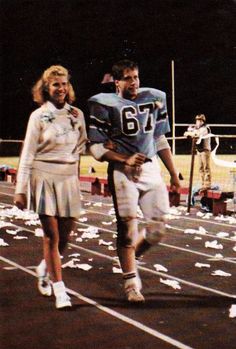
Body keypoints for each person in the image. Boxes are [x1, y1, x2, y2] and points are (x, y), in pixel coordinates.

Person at [88, 59, 180, 302]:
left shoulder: (154, 98)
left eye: (136, 77)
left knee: (158, 229)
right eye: (128, 78)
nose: (134, 82)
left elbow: (159, 139)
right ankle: (130, 281)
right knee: (127, 227)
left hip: (150, 169)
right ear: (117, 81)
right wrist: (124, 158)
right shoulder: (103, 104)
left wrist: (173, 173)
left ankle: (132, 257)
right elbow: (96, 149)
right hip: (122, 171)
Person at [14, 65, 87, 309]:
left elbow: (84, 145)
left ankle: (45, 266)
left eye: (64, 83)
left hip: (68, 178)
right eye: (56, 84)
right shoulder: (38, 116)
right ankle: (60, 291)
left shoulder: (77, 114)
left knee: (65, 236)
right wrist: (21, 189)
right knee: (51, 235)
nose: (61, 88)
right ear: (46, 88)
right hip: (43, 176)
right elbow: (28, 153)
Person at [184, 114, 211, 191]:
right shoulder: (198, 128)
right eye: (197, 120)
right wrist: (190, 132)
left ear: (202, 121)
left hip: (205, 150)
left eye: (199, 120)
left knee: (206, 168)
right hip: (199, 150)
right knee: (200, 168)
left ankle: (207, 184)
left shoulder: (205, 128)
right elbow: (186, 133)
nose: (197, 122)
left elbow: (196, 134)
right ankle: (203, 184)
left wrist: (190, 133)